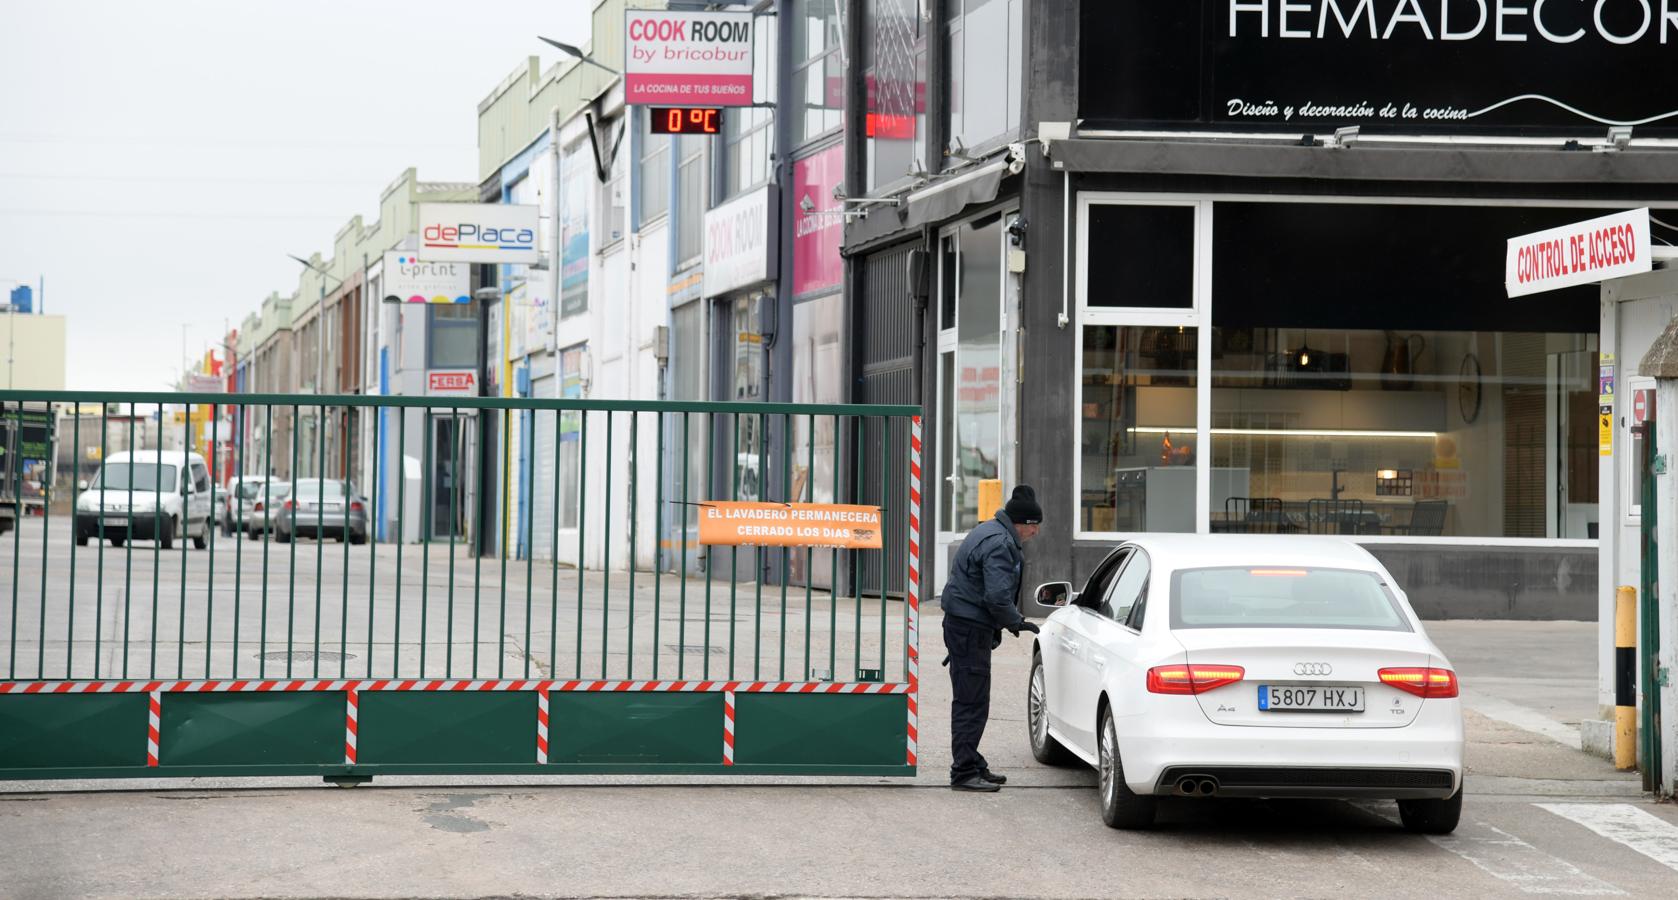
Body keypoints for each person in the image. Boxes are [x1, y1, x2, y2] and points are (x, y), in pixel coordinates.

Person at [939, 484, 1043, 792]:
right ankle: (963, 771)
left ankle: (971, 761)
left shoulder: (989, 530)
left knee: (972, 697)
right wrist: (1015, 622)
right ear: (1022, 523)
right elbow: (997, 596)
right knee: (972, 702)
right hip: (969, 629)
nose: (1035, 533)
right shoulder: (999, 543)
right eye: (1034, 526)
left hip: (965, 625)